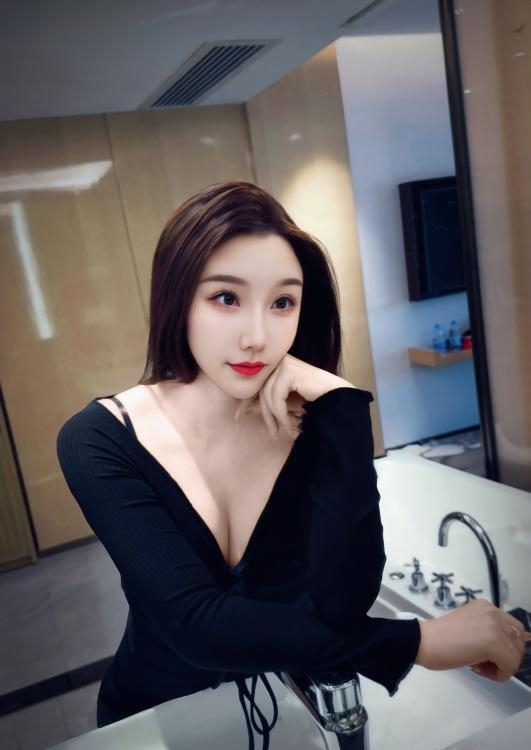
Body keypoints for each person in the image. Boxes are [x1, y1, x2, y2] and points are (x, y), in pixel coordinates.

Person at [56, 180, 530, 748]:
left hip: (287, 705)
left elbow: (343, 602)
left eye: (283, 302)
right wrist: (415, 642)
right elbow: (196, 624)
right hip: (153, 718)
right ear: (176, 298)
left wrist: (342, 410)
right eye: (225, 298)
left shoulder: (308, 425)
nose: (257, 337)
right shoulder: (99, 439)